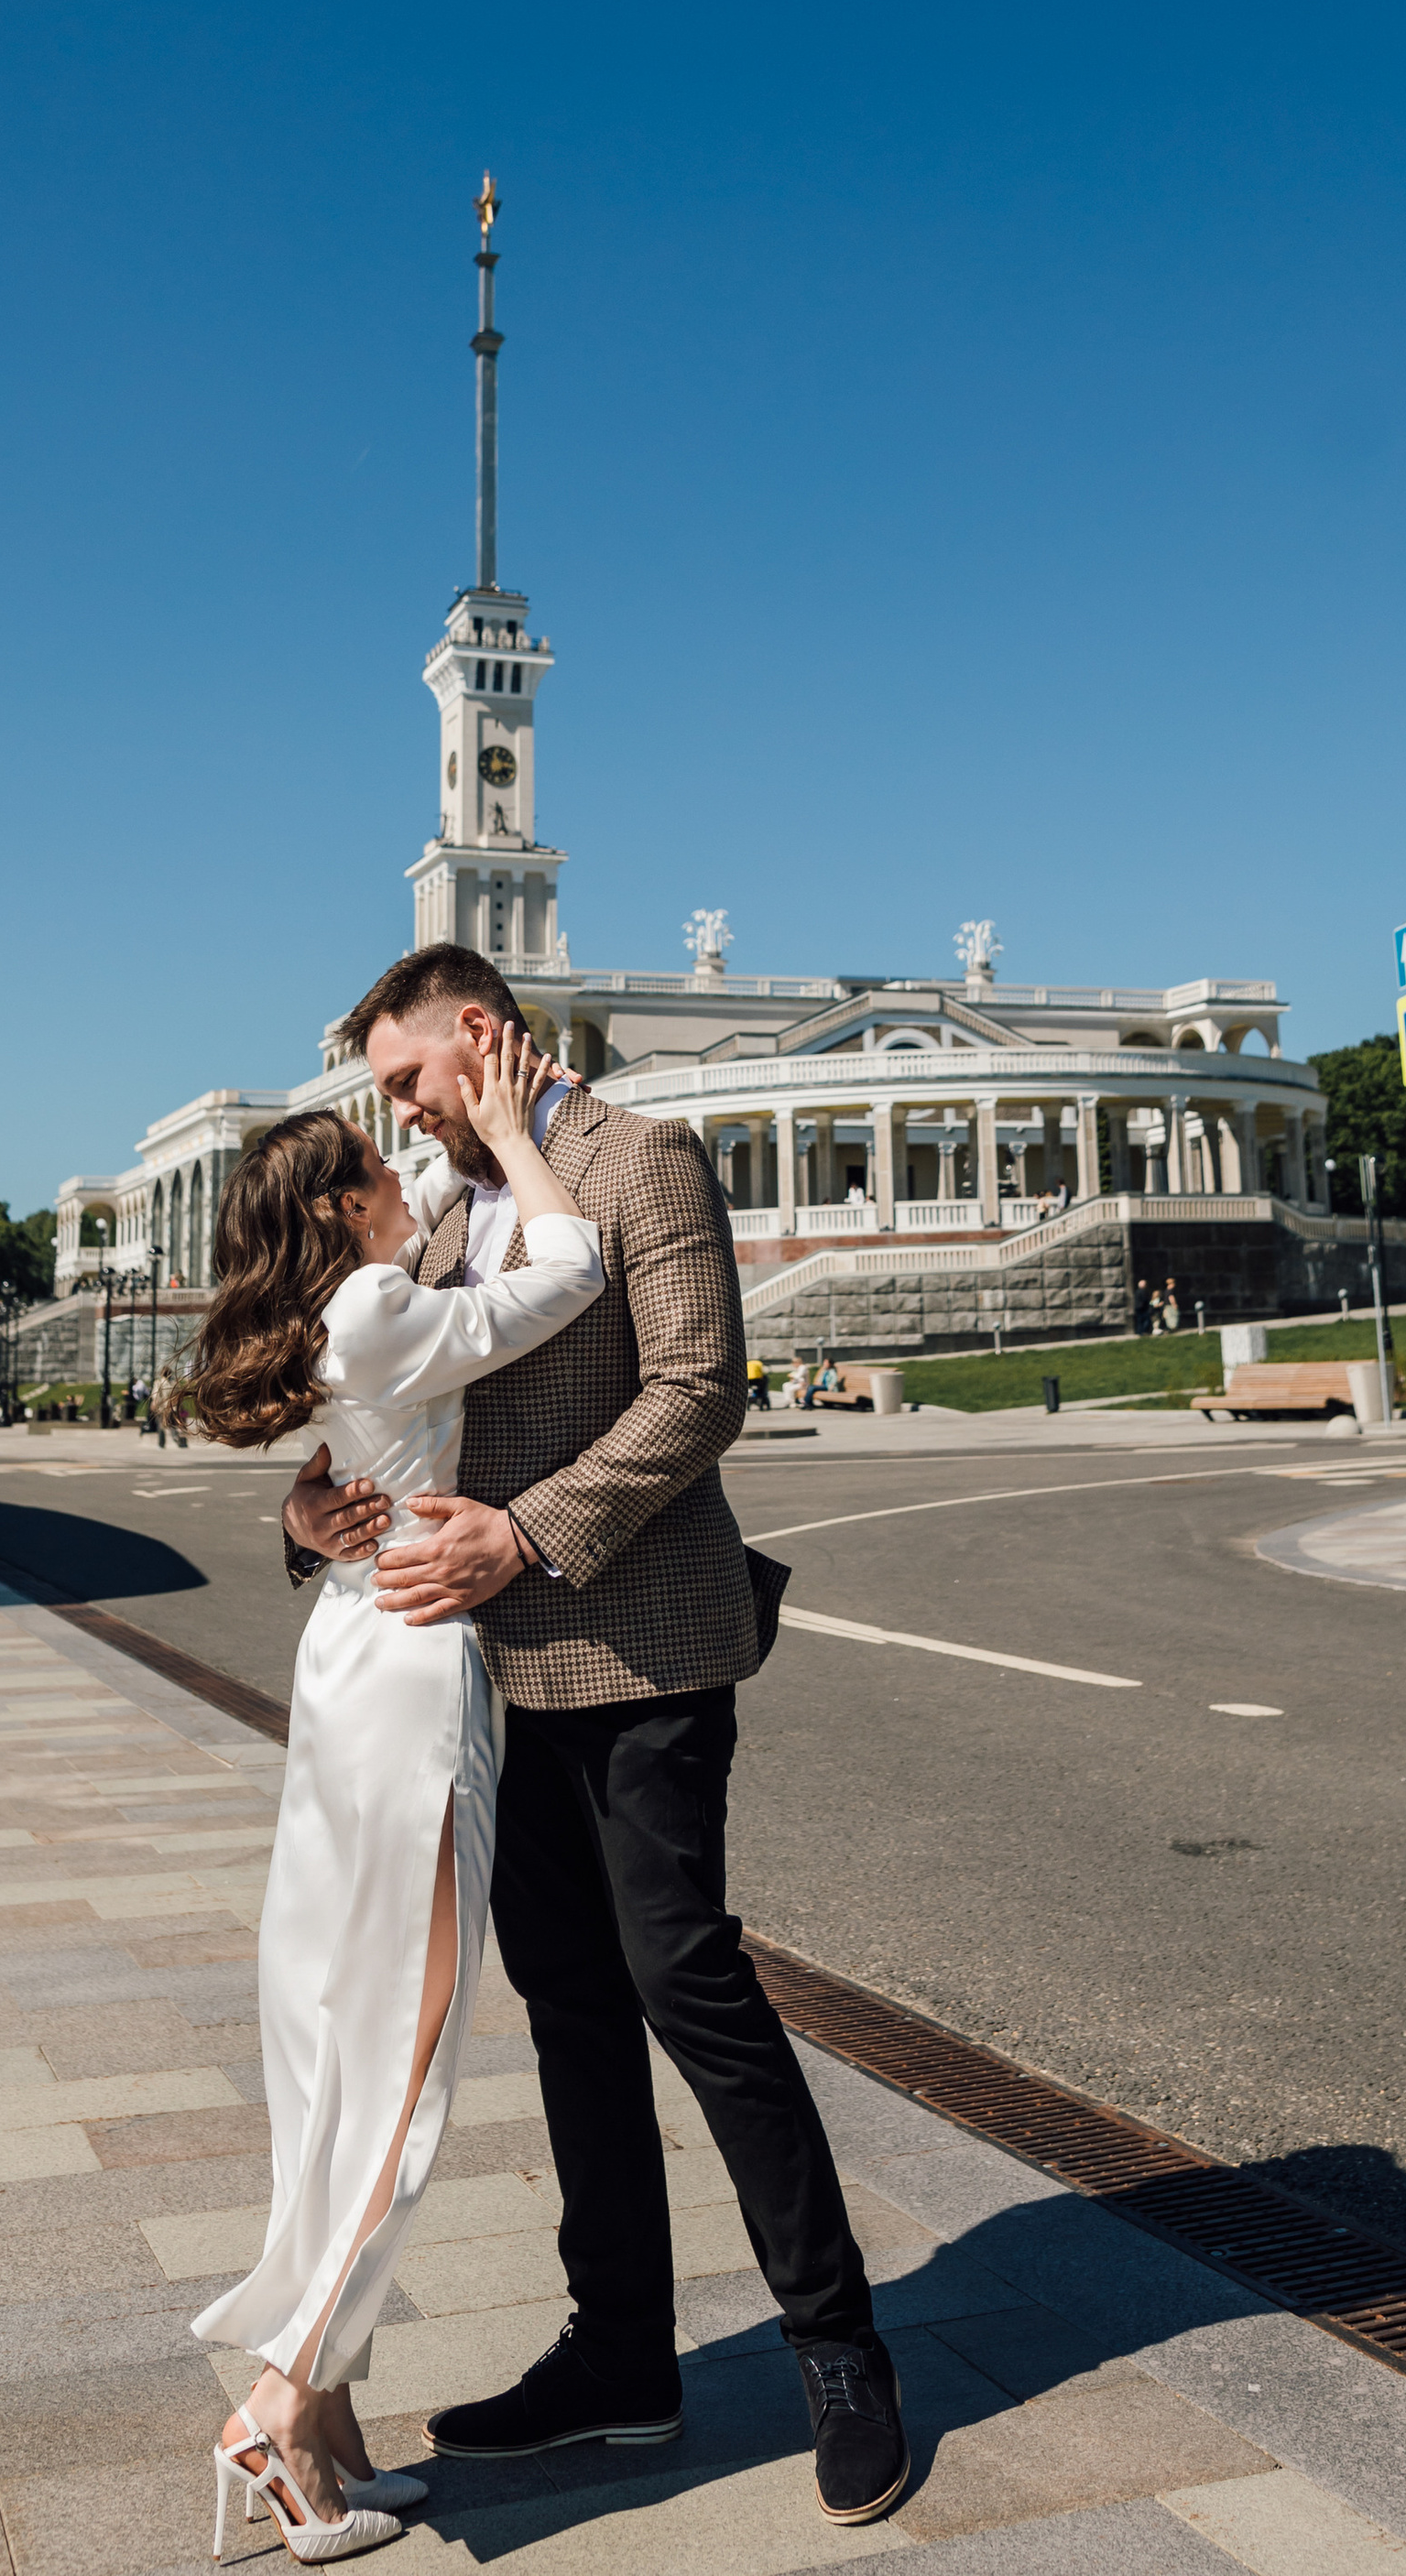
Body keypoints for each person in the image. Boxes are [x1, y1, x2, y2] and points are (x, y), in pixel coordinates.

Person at [283, 948, 904, 2534]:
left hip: (640, 1646)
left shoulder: (643, 1162)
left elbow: (698, 1394)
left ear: (480, 1037)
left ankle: (841, 2350)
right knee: (569, 2007)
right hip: (483, 1679)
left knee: (687, 1979)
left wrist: (525, 1536)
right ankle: (623, 2352)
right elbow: (391, 1401)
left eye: (410, 1077)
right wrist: (310, 1513)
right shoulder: (431, 1204)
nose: (397, 1111)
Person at [187, 1027, 604, 2559]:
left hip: (346, 1665)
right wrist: (514, 1124)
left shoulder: (322, 1304)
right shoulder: (373, 1304)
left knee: (331, 2044)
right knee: (407, 2053)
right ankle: (282, 2419)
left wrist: (460, 1122)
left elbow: (419, 1191)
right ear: (352, 1204)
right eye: (384, 1160)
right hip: (418, 1684)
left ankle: (339, 2445)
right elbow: (562, 1275)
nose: (407, 1161)